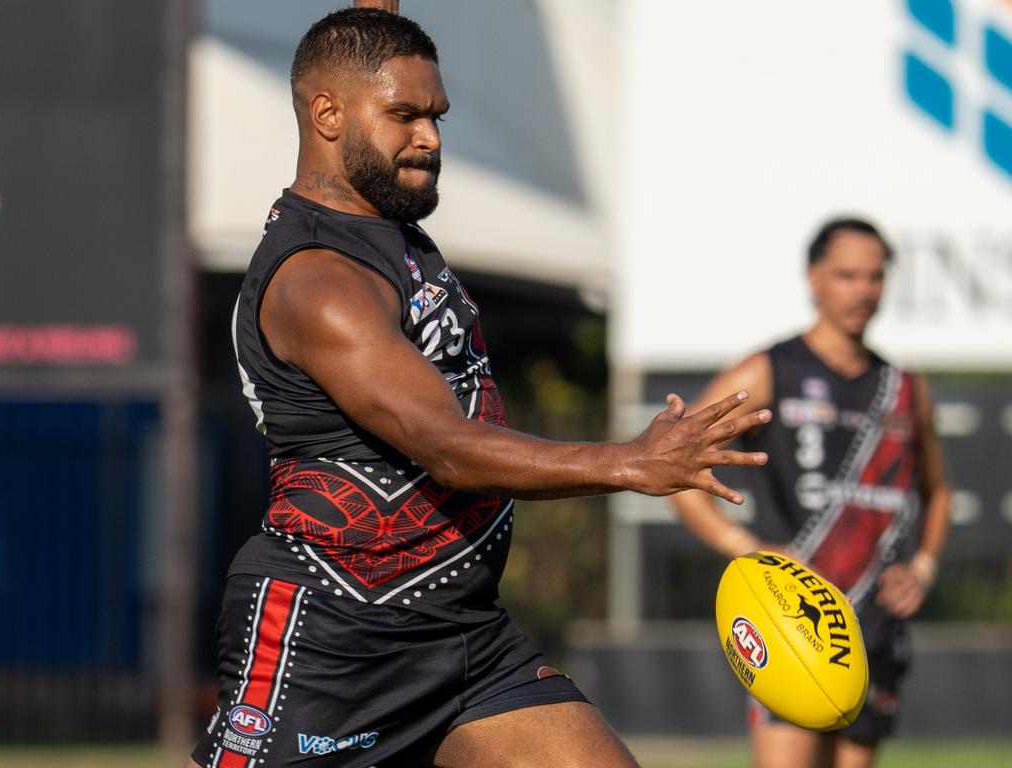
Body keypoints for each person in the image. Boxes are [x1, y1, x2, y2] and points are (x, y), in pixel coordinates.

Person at [190, 8, 772, 768]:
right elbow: (448, 448)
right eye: (403, 115)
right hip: (333, 637)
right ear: (326, 114)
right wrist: (631, 463)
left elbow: (373, 28)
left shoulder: (378, 223)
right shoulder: (318, 281)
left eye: (435, 115)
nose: (429, 138)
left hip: (463, 633)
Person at [670, 217, 951, 768]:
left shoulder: (905, 387)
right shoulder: (771, 369)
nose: (862, 291)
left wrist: (922, 568)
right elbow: (680, 470)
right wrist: (743, 549)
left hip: (873, 623)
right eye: (847, 275)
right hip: (792, 622)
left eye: (875, 277)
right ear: (814, 279)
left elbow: (938, 492)